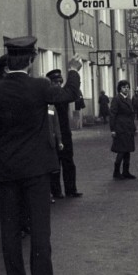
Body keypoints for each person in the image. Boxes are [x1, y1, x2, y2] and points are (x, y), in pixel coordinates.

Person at [0, 37, 84, 275]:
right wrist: (73, 70)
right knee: (40, 230)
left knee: (10, 231)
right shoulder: (40, 87)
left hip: (7, 171)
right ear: (30, 60)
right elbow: (69, 95)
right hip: (38, 170)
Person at [46, 69, 83, 198]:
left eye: (60, 81)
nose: (58, 84)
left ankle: (71, 189)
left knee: (68, 162)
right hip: (53, 134)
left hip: (65, 133)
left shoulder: (61, 94)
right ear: (50, 83)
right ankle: (56, 191)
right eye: (55, 82)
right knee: (55, 164)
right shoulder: (51, 96)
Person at [110, 79, 138, 180]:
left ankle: (126, 172)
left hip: (129, 129)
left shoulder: (128, 100)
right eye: (124, 87)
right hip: (120, 128)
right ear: (120, 88)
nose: (126, 89)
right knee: (121, 151)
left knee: (128, 151)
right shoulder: (116, 99)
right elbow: (112, 114)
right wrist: (112, 129)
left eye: (127, 87)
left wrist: (134, 128)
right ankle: (116, 172)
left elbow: (131, 116)